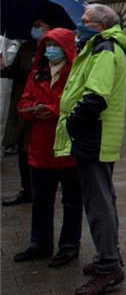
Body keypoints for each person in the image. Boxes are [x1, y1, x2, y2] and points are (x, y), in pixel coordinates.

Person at [53, 4, 126, 295]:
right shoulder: (99, 46)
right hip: (97, 135)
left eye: (84, 21)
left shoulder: (104, 49)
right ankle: (110, 255)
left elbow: (96, 96)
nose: (79, 25)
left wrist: (72, 123)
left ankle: (108, 266)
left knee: (98, 203)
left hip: (93, 136)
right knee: (104, 197)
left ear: (99, 25)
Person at [14, 28, 83, 268]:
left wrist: (51, 110)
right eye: (47, 45)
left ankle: (69, 245)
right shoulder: (37, 73)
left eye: (55, 45)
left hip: (67, 148)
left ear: (66, 48)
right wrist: (30, 110)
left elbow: (76, 104)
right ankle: (40, 243)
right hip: (41, 146)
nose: (50, 50)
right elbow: (24, 101)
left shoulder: (76, 73)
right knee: (41, 200)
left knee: (72, 201)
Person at [2, 19, 52, 206]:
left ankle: (41, 189)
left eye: (40, 25)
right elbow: (14, 71)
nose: (36, 29)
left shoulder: (54, 49)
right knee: (23, 150)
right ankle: (26, 190)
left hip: (42, 107)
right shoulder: (27, 48)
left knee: (37, 149)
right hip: (23, 104)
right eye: (34, 25)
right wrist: (4, 69)